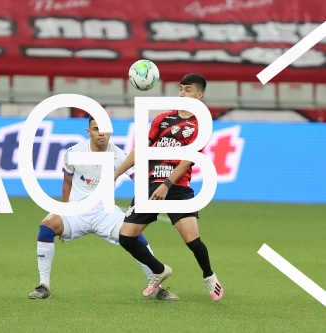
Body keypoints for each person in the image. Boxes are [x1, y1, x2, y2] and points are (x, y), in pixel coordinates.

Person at [28, 115, 178, 301]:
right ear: (89, 131)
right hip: (77, 211)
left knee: (134, 235)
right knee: (46, 226)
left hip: (105, 212)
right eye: (96, 129)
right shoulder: (74, 152)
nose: (101, 133)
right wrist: (64, 210)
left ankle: (158, 287)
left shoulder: (120, 155)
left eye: (105, 129)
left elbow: (139, 181)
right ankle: (44, 286)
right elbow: (67, 182)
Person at [114, 73, 224, 302]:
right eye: (181, 89)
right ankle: (159, 270)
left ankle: (209, 276)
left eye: (188, 90)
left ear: (199, 95)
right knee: (126, 237)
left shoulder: (201, 125)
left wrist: (167, 184)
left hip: (177, 187)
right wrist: (115, 173)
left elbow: (188, 159)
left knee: (192, 240)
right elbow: (140, 150)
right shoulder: (162, 119)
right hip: (152, 185)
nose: (182, 93)